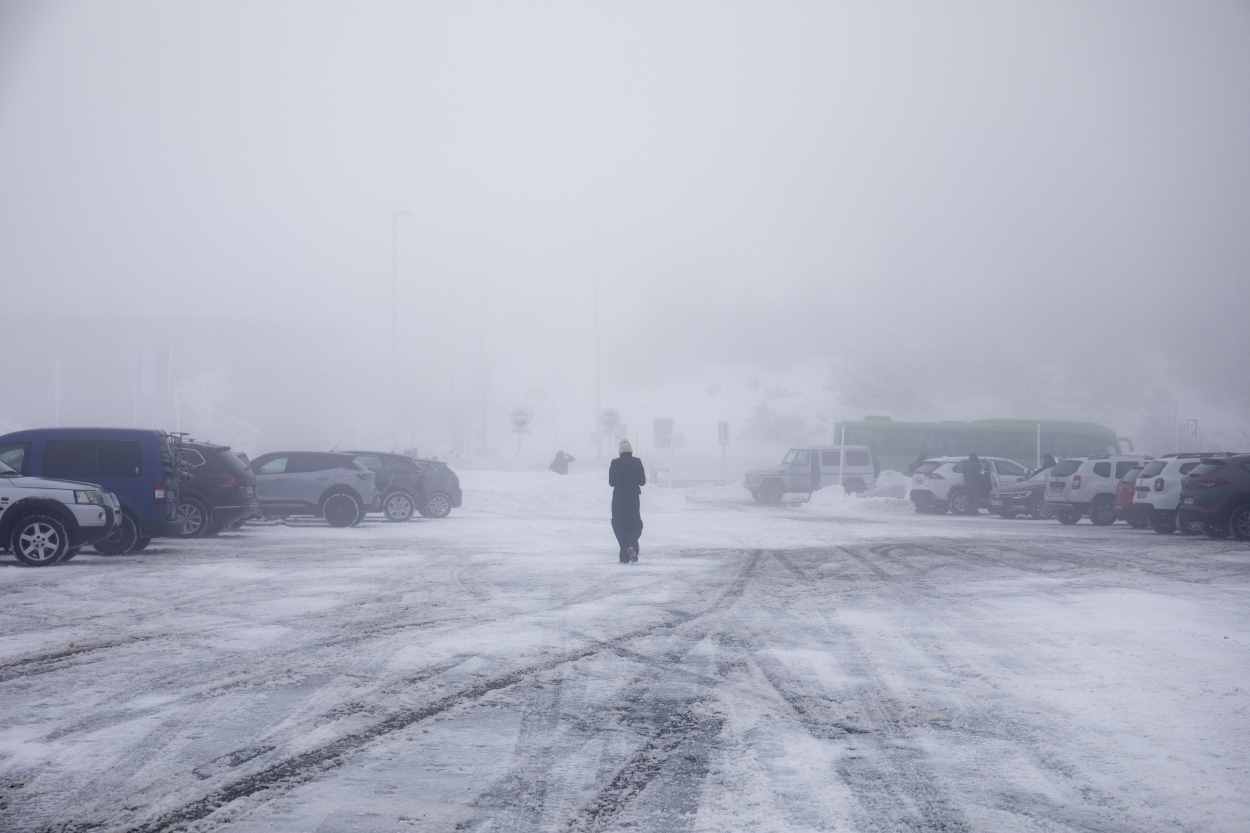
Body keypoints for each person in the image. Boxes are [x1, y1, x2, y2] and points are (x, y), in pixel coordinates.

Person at [608, 439, 645, 563]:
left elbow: (611, 482)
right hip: (633, 499)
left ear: (620, 451)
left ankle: (625, 550)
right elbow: (642, 481)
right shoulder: (637, 462)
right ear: (631, 450)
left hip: (619, 499)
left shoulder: (615, 463)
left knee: (618, 524)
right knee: (635, 525)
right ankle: (631, 546)